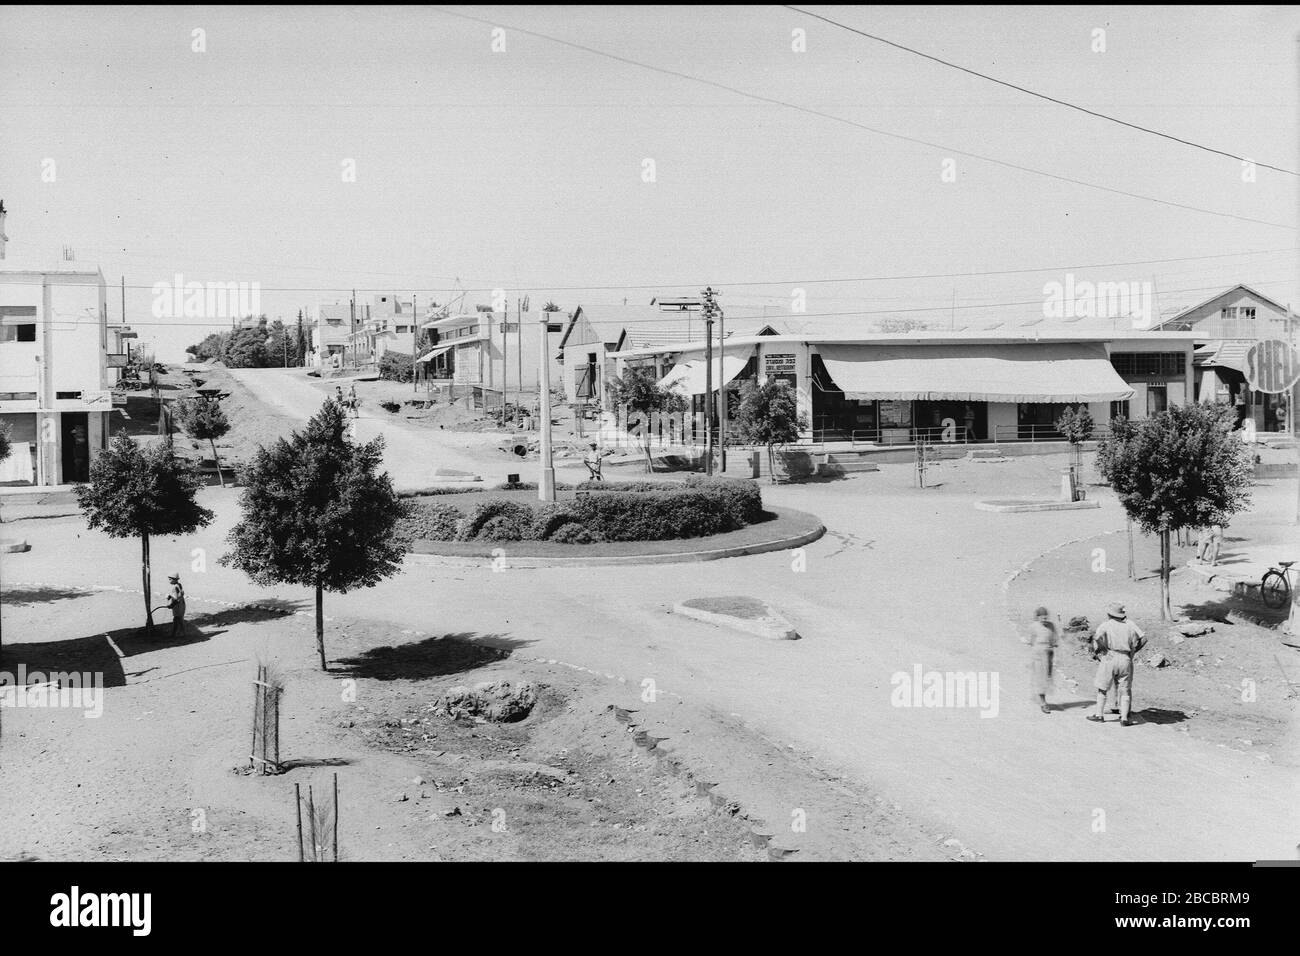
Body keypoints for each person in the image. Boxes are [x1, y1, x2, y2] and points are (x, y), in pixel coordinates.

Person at [1087, 602, 1146, 726]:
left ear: (1109, 614)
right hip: (1125, 658)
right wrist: (1133, 651)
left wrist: (1103, 650)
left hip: (1110, 656)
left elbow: (1096, 637)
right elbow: (1143, 638)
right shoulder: (1129, 625)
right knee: (1125, 689)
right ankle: (1124, 718)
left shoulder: (1106, 625)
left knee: (1102, 687)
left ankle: (1099, 715)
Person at [1022, 606, 1059, 714]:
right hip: (1038, 653)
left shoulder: (1051, 626)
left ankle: (1041, 698)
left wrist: (1053, 647)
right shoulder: (1033, 626)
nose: (1044, 619)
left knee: (1048, 677)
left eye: (1046, 617)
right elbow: (1030, 640)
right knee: (1040, 678)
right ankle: (1043, 703)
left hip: (1049, 653)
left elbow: (1054, 639)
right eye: (1042, 618)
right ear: (1037, 617)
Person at [165, 573, 186, 640]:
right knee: (180, 619)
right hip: (182, 604)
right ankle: (183, 633)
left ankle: (174, 634)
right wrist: (170, 596)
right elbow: (179, 595)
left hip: (177, 605)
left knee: (176, 619)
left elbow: (176, 599)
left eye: (170, 579)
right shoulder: (179, 585)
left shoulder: (174, 587)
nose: (169, 581)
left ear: (174, 579)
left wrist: (171, 605)